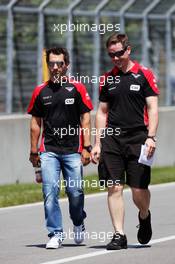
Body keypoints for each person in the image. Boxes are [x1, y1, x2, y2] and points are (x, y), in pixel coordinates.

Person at [91, 33, 159, 250]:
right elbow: (101, 112)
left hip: (139, 137)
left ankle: (144, 214)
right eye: (112, 55)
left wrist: (151, 137)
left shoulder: (144, 75)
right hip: (112, 139)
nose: (116, 58)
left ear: (128, 50)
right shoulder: (106, 79)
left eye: (119, 53)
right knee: (114, 187)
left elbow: (153, 108)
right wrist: (98, 143)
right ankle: (119, 234)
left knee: (138, 190)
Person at [28, 47, 93, 249]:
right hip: (49, 151)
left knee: (75, 192)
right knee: (50, 192)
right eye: (52, 63)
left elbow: (85, 119)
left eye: (60, 63)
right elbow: (35, 122)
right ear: (48, 65)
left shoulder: (77, 88)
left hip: (73, 150)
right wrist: (33, 151)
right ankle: (55, 233)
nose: (55, 67)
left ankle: (78, 221)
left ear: (67, 65)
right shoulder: (40, 90)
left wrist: (87, 147)